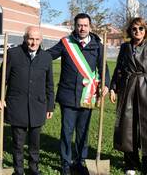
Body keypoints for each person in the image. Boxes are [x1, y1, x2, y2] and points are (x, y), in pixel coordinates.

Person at [46, 13, 110, 175]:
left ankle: (80, 161)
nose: (82, 28)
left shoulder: (98, 46)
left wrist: (106, 84)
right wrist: (28, 52)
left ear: (90, 27)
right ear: (74, 26)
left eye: (85, 25)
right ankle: (66, 163)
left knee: (83, 132)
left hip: (87, 96)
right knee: (66, 131)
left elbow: (104, 69)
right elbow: (48, 56)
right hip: (67, 96)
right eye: (79, 25)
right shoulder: (65, 43)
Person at [0, 26, 54, 175]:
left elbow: (50, 85)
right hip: (17, 106)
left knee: (35, 143)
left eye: (37, 39)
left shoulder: (46, 58)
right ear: (25, 38)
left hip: (38, 106)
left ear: (41, 40)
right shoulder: (13, 54)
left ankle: (34, 169)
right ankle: (18, 170)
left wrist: (50, 106)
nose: (34, 42)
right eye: (31, 38)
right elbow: (0, 80)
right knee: (18, 143)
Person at [109, 17, 147, 175]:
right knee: (128, 125)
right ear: (130, 31)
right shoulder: (125, 48)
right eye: (134, 29)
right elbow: (119, 69)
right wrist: (113, 87)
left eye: (141, 29)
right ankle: (131, 164)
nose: (137, 32)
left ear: (145, 31)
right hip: (128, 88)